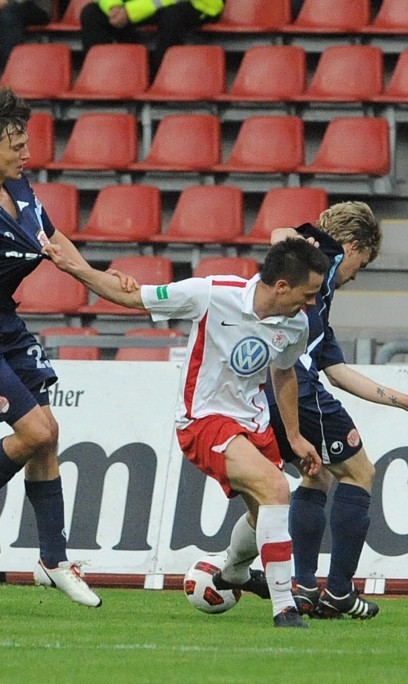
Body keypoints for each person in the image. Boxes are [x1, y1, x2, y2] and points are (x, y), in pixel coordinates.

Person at [44, 236, 331, 628]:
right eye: (309, 293)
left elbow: (283, 373)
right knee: (276, 488)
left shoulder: (295, 323)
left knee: (261, 510)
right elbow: (133, 297)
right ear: (282, 286)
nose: (312, 302)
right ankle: (285, 607)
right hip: (203, 420)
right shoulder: (210, 293)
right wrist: (75, 268)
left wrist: (295, 437)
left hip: (253, 423)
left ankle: (233, 572)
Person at [0, 85, 137, 608]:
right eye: (16, 145)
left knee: (48, 435)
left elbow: (56, 245)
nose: (27, 153)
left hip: (5, 325)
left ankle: (53, 560)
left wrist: (104, 280)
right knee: (37, 429)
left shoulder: (22, 193)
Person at [267, 202, 408, 620]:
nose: (354, 275)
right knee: (361, 473)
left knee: (319, 475)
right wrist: (299, 245)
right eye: (360, 264)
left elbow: (340, 372)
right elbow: (278, 234)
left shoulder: (317, 303)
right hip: (297, 388)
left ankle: (305, 587)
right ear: (351, 246)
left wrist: (406, 400)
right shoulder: (325, 263)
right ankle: (341, 592)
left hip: (274, 393)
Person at [79, 0, 225, 75]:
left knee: (172, 16)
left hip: (197, 4)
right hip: (145, 5)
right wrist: (113, 7)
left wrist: (130, 12)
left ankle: (159, 79)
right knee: (91, 13)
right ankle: (102, 79)